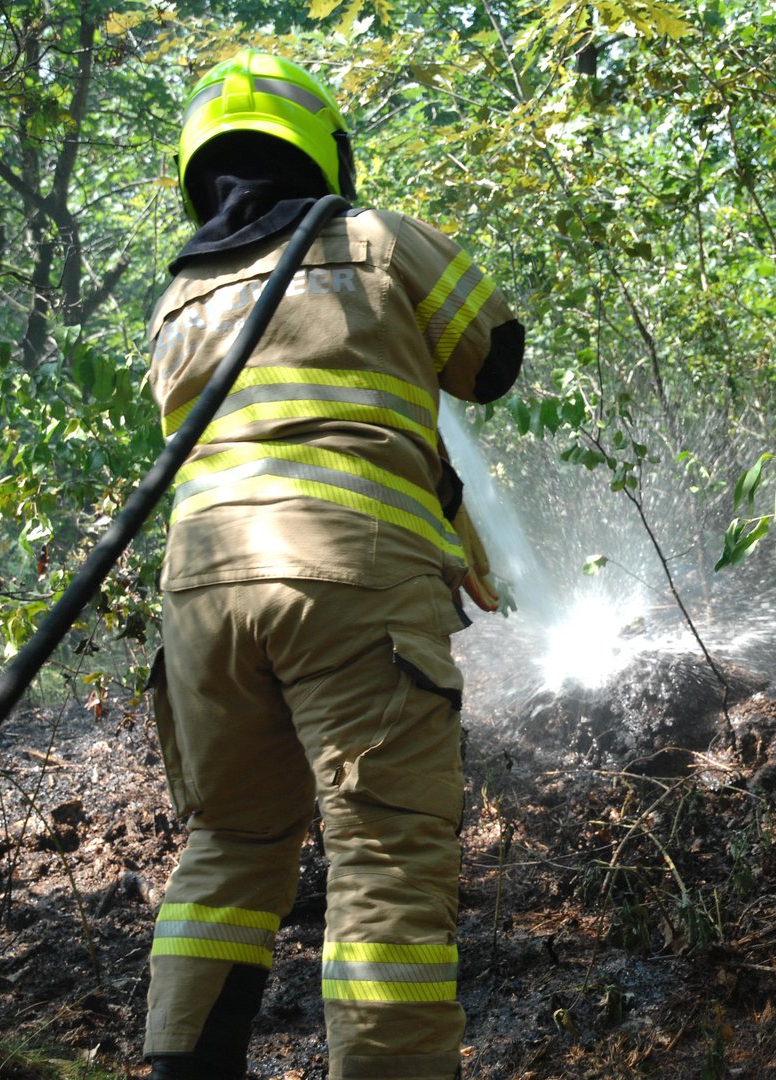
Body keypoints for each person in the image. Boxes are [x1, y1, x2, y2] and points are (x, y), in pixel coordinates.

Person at [142, 49, 522, 1080]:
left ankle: (183, 1066)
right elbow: (494, 356)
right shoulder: (374, 239)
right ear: (327, 153)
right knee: (386, 856)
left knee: (230, 842)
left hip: (203, 597)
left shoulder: (177, 302)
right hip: (349, 583)